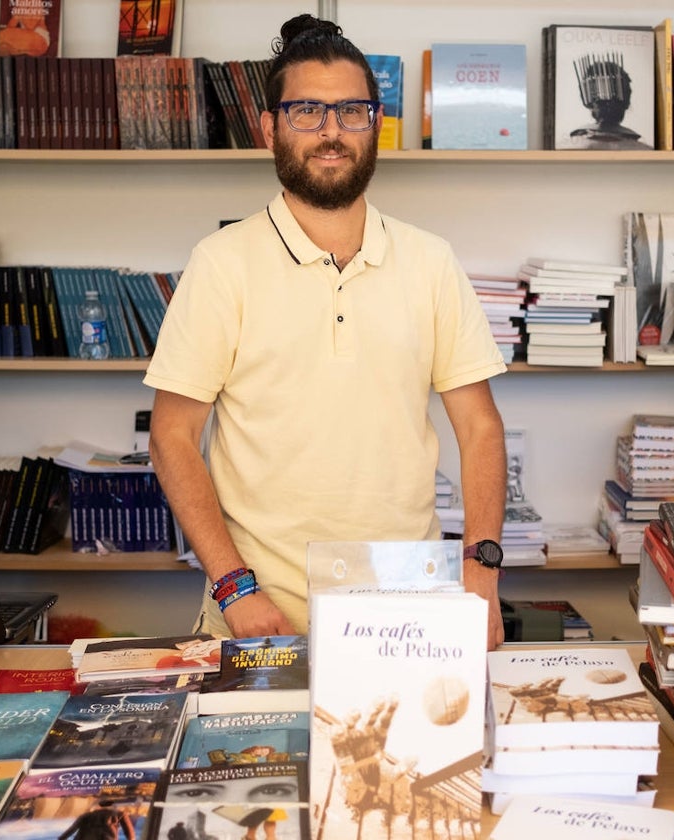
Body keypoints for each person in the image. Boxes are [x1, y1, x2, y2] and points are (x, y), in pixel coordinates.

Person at [145, 14, 507, 650]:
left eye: (351, 112)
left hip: (407, 617)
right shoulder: (222, 263)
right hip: (260, 617)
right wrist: (234, 588)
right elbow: (173, 436)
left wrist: (481, 573)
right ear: (269, 128)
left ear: (376, 126)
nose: (331, 133)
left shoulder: (431, 261)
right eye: (307, 111)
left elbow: (479, 427)